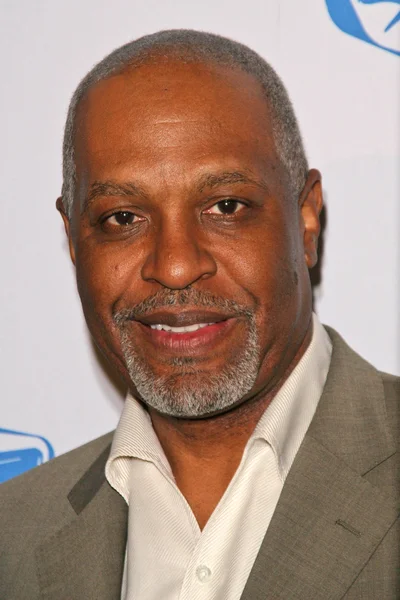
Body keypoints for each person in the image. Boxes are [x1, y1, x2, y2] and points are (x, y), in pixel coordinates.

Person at [0, 29, 398, 600]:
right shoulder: (12, 534)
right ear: (72, 239)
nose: (177, 265)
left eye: (225, 206)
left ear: (306, 220)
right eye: (122, 218)